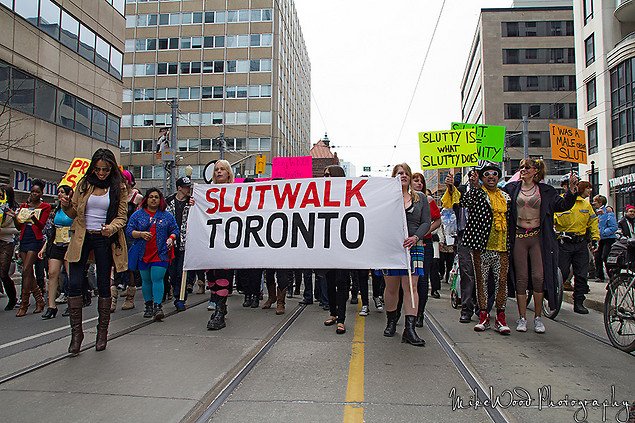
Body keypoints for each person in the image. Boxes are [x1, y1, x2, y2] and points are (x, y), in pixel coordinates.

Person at [61, 148, 129, 355]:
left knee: (102, 284)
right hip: (82, 236)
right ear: (93, 167)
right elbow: (74, 212)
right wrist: (65, 206)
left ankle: (102, 332)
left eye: (106, 169)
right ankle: (76, 334)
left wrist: (111, 228)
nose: (101, 173)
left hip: (105, 237)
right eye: (98, 169)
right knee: (74, 283)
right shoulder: (84, 184)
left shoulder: (119, 187)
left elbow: (122, 217)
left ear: (111, 169)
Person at [502, 158, 577, 333]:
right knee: (521, 279)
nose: (523, 170)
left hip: (538, 238)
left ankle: (537, 318)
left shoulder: (546, 191)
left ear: (536, 170)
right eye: (521, 167)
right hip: (519, 237)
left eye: (527, 167)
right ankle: (522, 318)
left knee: (538, 277)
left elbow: (562, 205)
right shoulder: (511, 189)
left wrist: (572, 192)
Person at [453, 163, 512, 334]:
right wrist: (456, 185)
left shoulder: (506, 197)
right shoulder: (477, 194)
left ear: (498, 176)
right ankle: (483, 316)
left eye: (494, 174)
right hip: (482, 247)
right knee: (482, 282)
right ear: (482, 177)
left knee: (502, 283)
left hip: (502, 248)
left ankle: (501, 317)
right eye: (487, 174)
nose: (491, 177)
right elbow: (462, 201)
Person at [381, 163, 431, 346]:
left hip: (414, 246)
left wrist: (416, 236)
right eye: (399, 173)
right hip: (392, 248)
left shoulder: (420, 198)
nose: (403, 175)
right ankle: (391, 321)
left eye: (406, 173)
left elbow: (426, 221)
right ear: (394, 176)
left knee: (411, 287)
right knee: (392, 288)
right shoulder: (386, 199)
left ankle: (410, 329)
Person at [127, 188, 178, 320]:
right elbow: (129, 231)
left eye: (156, 197)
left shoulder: (166, 215)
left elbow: (175, 230)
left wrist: (171, 238)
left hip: (161, 253)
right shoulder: (137, 215)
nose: (154, 199)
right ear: (146, 199)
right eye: (151, 197)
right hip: (143, 253)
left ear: (160, 200)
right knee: (146, 280)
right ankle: (148, 305)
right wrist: (140, 234)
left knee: (157, 278)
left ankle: (158, 306)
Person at [554, 179, 599, 314]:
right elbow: (551, 220)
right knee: (563, 272)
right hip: (564, 242)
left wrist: (595, 239)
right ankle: (553, 296)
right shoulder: (560, 202)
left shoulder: (586, 204)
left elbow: (593, 221)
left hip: (580, 243)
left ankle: (579, 302)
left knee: (581, 274)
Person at [442, 170, 480, 323]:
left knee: (482, 274)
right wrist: (451, 187)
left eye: (475, 174)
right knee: (467, 272)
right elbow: (451, 200)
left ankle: (482, 306)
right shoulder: (461, 192)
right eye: (470, 174)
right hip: (464, 237)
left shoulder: (484, 192)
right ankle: (466, 308)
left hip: (482, 236)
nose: (472, 177)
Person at [10, 179, 51, 317]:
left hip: (35, 240)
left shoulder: (45, 206)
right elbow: (18, 227)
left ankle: (24, 304)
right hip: (24, 239)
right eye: (32, 191)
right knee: (27, 273)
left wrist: (32, 217)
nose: (34, 194)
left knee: (27, 269)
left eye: (37, 192)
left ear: (41, 193)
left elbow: (41, 225)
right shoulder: (23, 206)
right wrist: (16, 217)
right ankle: (39, 300)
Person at [322, 165, 353, 335]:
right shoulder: (320, 195)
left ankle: (341, 319)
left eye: (328, 175)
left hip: (344, 246)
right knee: (329, 281)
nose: (325, 178)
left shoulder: (348, 196)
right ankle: (333, 314)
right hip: (327, 246)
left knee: (342, 282)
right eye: (324, 175)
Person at [207, 159, 235, 330]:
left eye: (222, 169)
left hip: (228, 241)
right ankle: (220, 306)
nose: (219, 172)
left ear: (228, 173)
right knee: (211, 276)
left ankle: (219, 310)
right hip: (209, 239)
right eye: (216, 169)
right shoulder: (206, 192)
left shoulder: (235, 191)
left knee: (222, 274)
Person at [410, 172, 441, 327]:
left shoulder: (428, 200)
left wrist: (424, 231)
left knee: (422, 279)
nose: (419, 183)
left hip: (424, 244)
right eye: (416, 180)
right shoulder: (405, 200)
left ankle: (420, 314)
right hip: (408, 245)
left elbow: (437, 220)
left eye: (421, 181)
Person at [39, 185, 75, 319]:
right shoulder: (56, 210)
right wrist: (44, 248)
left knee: (71, 274)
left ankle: (72, 304)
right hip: (56, 244)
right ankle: (51, 306)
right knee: (52, 273)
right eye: (58, 192)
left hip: (70, 244)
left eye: (62, 192)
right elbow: (50, 231)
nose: (60, 194)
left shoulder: (73, 208)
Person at [112, 169, 143, 312]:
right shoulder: (114, 195)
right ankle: (112, 298)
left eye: (124, 179)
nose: (121, 182)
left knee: (130, 266)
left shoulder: (137, 197)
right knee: (114, 265)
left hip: (130, 234)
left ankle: (130, 296)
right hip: (116, 233)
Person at [166, 176, 193, 311]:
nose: (188, 189)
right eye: (186, 187)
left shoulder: (191, 202)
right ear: (179, 188)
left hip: (185, 241)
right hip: (171, 242)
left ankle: (180, 297)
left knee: (181, 271)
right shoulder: (168, 202)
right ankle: (175, 290)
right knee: (172, 271)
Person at [0, 185, 19, 311]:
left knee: (3, 273)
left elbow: (18, 229)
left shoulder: (14, 210)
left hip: (6, 243)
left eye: (3, 195)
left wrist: (2, 230)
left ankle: (12, 298)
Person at [592, 194, 618, 283]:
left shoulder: (608, 211)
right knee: (597, 256)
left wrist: (603, 233)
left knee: (605, 256)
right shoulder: (598, 212)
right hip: (601, 239)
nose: (593, 203)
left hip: (608, 239)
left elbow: (613, 226)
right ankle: (600, 276)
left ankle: (612, 276)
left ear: (600, 202)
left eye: (595, 201)